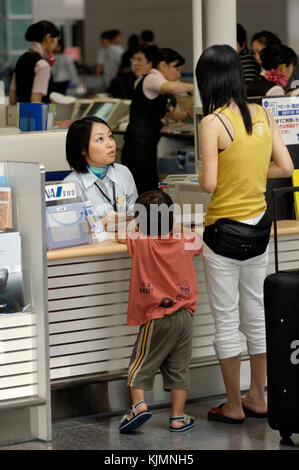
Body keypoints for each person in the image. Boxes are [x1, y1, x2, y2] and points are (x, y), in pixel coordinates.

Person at [195, 44, 293, 424]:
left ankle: (234, 405)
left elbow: (208, 183)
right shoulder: (263, 114)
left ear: (208, 81)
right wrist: (251, 173)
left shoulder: (212, 123)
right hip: (258, 231)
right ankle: (258, 396)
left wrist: (222, 170)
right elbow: (284, 166)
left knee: (225, 318)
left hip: (222, 233)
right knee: (256, 312)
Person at [116, 190, 202, 433]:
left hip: (158, 316)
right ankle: (177, 417)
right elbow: (197, 241)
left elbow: (123, 236)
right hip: (185, 314)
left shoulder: (141, 242)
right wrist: (177, 227)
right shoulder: (186, 241)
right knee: (179, 367)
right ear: (172, 217)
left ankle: (139, 405)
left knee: (140, 362)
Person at [121, 47, 194, 195]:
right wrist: (195, 87)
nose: (178, 74)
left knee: (150, 188)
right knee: (144, 191)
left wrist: (188, 113)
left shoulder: (162, 90)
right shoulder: (151, 78)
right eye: (176, 68)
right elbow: (172, 87)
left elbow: (173, 114)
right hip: (137, 146)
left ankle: (150, 217)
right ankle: (145, 218)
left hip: (148, 144)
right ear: (162, 65)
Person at [63, 116, 138, 226]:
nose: (110, 144)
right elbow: (73, 232)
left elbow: (136, 212)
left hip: (124, 241)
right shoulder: (71, 185)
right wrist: (103, 222)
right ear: (82, 149)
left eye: (110, 136)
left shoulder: (123, 172)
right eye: (100, 139)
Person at [9, 20, 60, 104]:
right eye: (56, 40)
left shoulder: (21, 59)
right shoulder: (42, 65)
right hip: (35, 116)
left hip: (21, 115)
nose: (56, 45)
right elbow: (35, 101)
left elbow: (12, 98)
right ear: (48, 38)